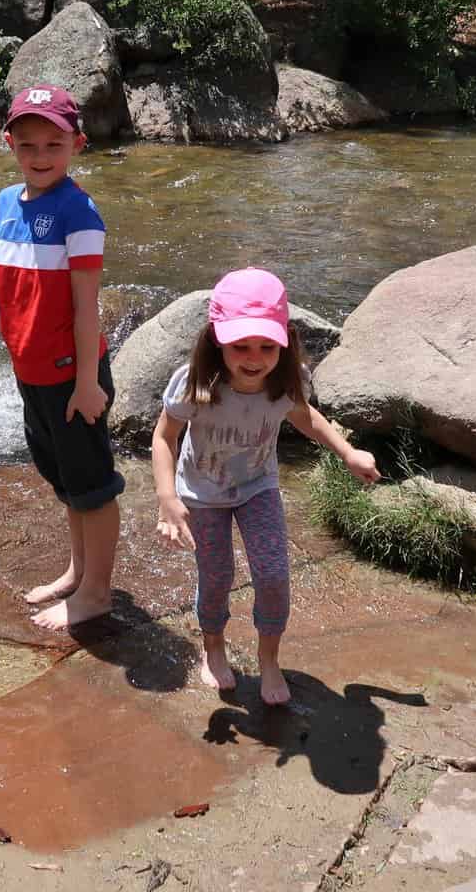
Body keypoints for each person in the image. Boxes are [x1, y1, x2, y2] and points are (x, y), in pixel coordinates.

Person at [151, 268, 381, 705]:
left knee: (274, 576)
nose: (254, 357)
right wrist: (167, 498)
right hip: (203, 494)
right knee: (216, 578)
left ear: (284, 341)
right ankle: (213, 646)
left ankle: (269, 658)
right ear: (218, 339)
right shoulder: (197, 382)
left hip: (258, 487)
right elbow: (164, 438)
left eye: (266, 346)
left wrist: (347, 452)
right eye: (241, 346)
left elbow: (305, 417)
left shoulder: (286, 380)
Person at [0, 83, 123, 631]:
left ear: (78, 144)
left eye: (54, 144)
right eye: (28, 145)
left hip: (73, 376)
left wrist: (89, 382)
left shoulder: (79, 212)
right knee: (66, 480)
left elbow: (84, 304)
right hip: (32, 370)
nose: (40, 156)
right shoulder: (6, 202)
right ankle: (76, 571)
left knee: (92, 485)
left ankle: (97, 592)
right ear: (9, 143)